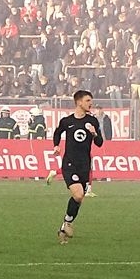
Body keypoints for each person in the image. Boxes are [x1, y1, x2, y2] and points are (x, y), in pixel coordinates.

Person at [52, 90, 104, 242]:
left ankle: (66, 224)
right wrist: (56, 145)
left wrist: (94, 133)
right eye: (88, 101)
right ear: (79, 102)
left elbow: (99, 143)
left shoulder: (92, 121)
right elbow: (57, 133)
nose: (90, 103)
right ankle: (67, 223)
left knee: (79, 198)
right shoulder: (67, 121)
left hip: (84, 165)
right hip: (69, 164)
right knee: (79, 194)